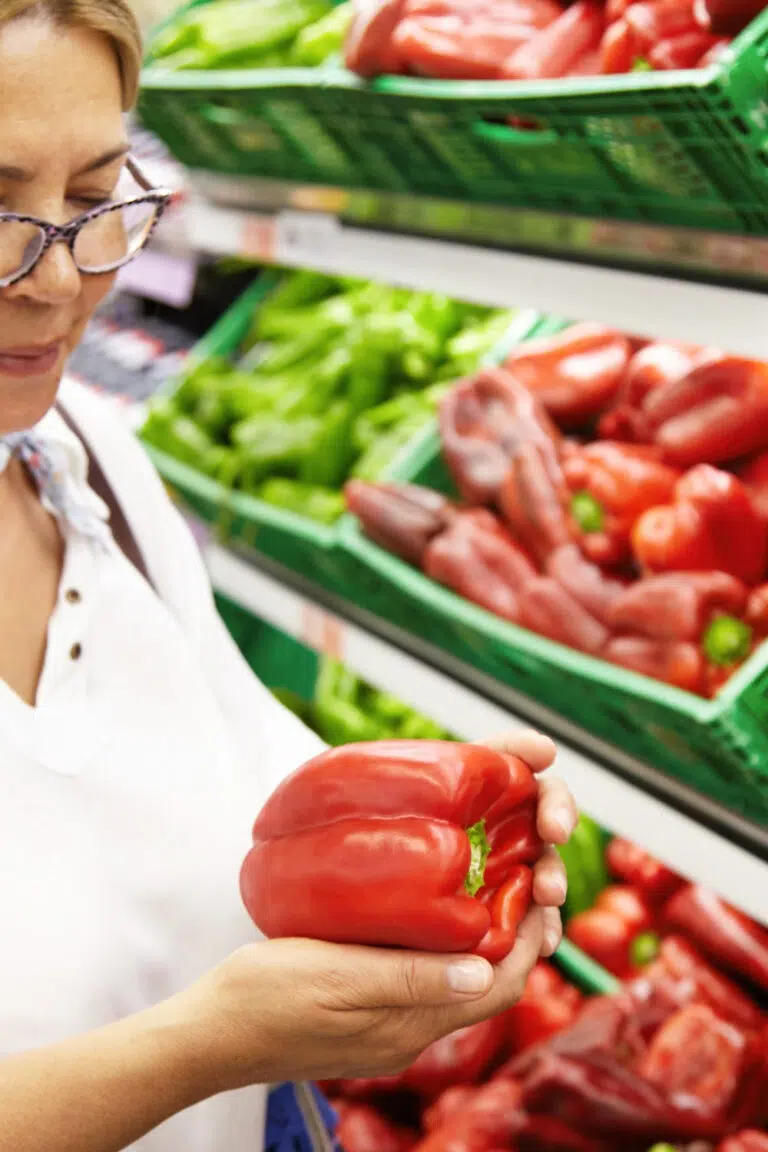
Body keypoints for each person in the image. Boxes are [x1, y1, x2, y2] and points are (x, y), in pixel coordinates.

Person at [0, 3, 578, 1150]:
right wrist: (208, 1047)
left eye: (94, 198)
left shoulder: (87, 462)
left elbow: (258, 778)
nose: (56, 281)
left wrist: (448, 816)